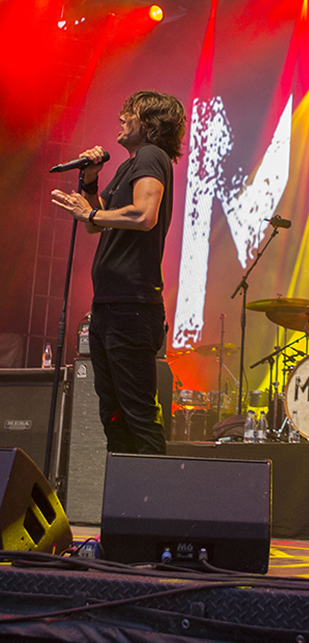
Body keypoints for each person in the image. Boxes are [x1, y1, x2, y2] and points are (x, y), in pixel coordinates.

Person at [51, 90, 185, 455]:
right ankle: (124, 503)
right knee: (113, 413)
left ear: (149, 123)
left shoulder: (151, 156)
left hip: (132, 306)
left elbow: (144, 214)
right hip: (110, 306)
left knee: (138, 414)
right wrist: (92, 183)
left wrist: (90, 213)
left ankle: (151, 506)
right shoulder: (129, 165)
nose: (121, 118)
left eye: (130, 113)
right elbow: (99, 225)